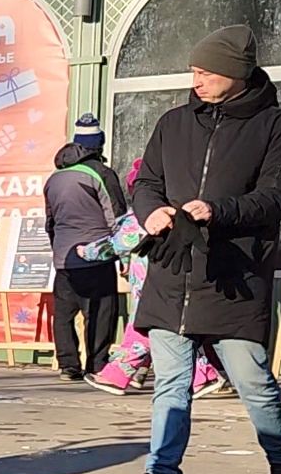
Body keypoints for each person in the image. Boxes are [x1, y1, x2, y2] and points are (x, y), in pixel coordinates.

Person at [102, 25, 281, 474]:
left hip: (233, 280)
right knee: (171, 385)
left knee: (253, 381)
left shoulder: (276, 126)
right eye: (193, 70)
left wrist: (220, 210)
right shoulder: (173, 123)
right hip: (172, 272)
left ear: (237, 74)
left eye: (206, 72)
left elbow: (278, 197)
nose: (196, 80)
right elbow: (147, 180)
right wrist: (150, 211)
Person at [83, 160, 228, 398]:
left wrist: (86, 252)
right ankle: (202, 377)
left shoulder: (145, 216)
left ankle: (118, 376)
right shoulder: (180, 211)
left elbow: (118, 244)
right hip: (176, 282)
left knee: (145, 329)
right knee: (174, 332)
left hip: (150, 287)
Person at [45, 115, 127, 381]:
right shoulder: (102, 174)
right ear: (99, 145)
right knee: (101, 312)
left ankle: (68, 365)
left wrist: (58, 251)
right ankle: (97, 364)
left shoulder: (54, 179)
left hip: (64, 259)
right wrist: (124, 253)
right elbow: (117, 217)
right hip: (97, 255)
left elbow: (50, 222)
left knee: (64, 313)